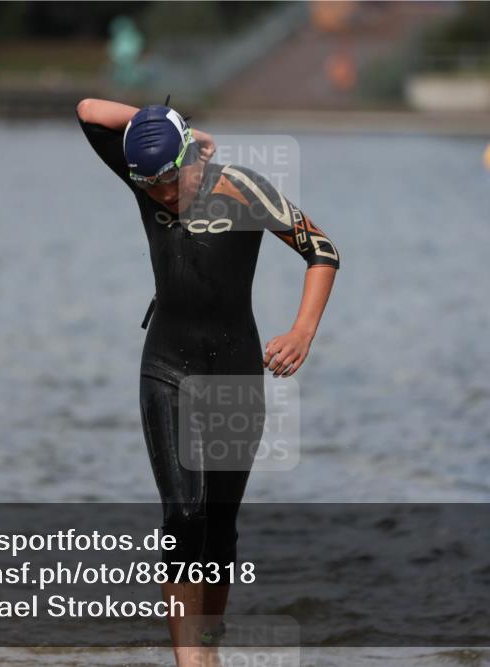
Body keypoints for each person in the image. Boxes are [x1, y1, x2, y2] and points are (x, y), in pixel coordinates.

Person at [77, 98, 339, 666]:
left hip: (236, 373)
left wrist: (301, 332)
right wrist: (165, 127)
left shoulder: (243, 189)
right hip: (167, 366)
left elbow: (322, 250)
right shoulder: (144, 173)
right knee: (182, 516)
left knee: (218, 528)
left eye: (172, 182)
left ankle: (209, 652)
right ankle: (189, 663)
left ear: (189, 156)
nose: (165, 197)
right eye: (152, 189)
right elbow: (89, 110)